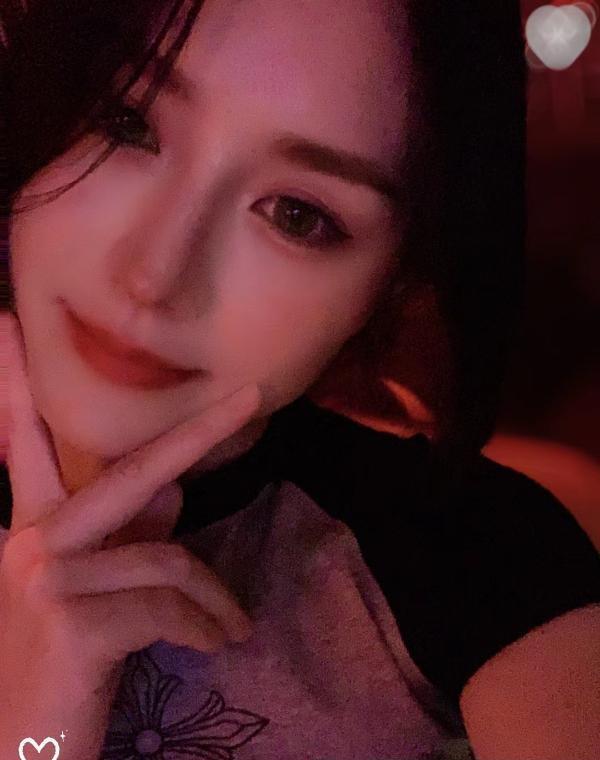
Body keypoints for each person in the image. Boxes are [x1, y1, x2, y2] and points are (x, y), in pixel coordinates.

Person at [0, 1, 598, 759]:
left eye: (295, 214)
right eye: (126, 123)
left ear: (390, 287)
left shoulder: (480, 561)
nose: (153, 276)